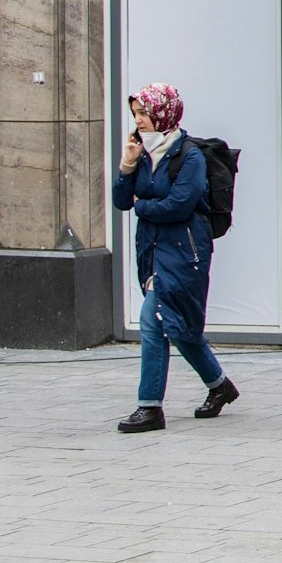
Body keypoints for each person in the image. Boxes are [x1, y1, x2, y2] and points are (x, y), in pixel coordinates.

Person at [112, 83, 238, 433]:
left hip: (185, 253)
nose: (139, 121)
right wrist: (127, 165)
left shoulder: (189, 156)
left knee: (154, 320)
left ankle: (149, 407)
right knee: (180, 328)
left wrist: (143, 206)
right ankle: (220, 385)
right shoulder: (144, 154)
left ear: (164, 113)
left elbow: (179, 205)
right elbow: (122, 201)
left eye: (144, 114)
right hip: (152, 251)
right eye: (135, 114)